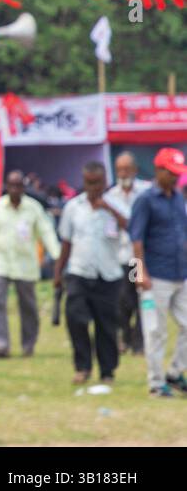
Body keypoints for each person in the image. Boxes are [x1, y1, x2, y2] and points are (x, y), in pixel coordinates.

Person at [54, 162, 124, 385]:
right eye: (89, 183)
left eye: (97, 183)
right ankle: (83, 366)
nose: (93, 188)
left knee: (106, 326)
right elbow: (66, 242)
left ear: (105, 181)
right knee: (75, 318)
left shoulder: (117, 204)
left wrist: (108, 209)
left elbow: (131, 227)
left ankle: (107, 371)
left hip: (109, 275)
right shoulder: (73, 207)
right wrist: (58, 272)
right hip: (79, 272)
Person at [0, 169, 60, 358]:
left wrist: (56, 256)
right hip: (1, 262)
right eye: (11, 185)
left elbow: (45, 232)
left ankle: (28, 344)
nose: (15, 189)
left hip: (25, 265)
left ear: (24, 187)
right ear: (6, 186)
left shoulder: (33, 208)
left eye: (18, 186)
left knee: (28, 306)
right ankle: (0, 344)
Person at [129, 147, 187, 397]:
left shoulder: (178, 197)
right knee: (155, 331)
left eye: (178, 173)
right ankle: (156, 383)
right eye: (171, 172)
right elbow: (135, 240)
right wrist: (138, 275)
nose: (175, 178)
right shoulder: (145, 199)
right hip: (155, 277)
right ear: (158, 170)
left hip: (181, 273)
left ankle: (175, 373)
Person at [104, 152, 152, 355]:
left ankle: (138, 342)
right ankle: (126, 337)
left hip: (139, 257)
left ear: (134, 170)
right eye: (119, 170)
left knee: (140, 299)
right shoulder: (110, 196)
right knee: (123, 301)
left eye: (126, 169)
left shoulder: (146, 193)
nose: (122, 173)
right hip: (120, 256)